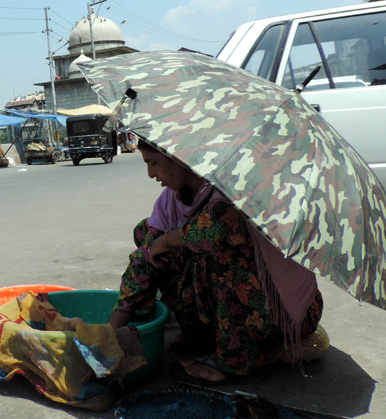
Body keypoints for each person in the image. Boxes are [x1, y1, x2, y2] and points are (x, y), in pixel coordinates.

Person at [108, 139, 323, 385]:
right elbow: (146, 258)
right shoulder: (171, 200)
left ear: (178, 158)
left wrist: (168, 240)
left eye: (154, 163)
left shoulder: (234, 190)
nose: (150, 174)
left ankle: (236, 361)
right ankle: (201, 336)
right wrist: (108, 334)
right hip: (236, 306)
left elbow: (216, 228)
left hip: (282, 311)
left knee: (215, 250)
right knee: (147, 236)